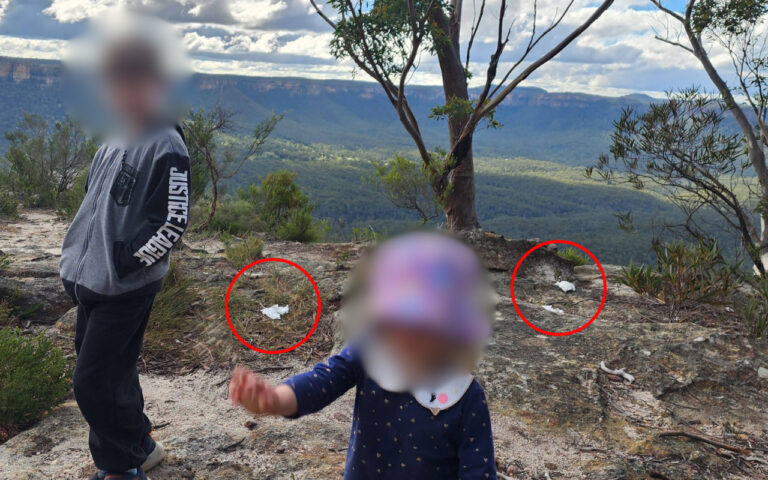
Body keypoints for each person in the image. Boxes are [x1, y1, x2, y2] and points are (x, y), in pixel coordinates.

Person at [230, 232, 498, 479]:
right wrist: (274, 400)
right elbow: (321, 383)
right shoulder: (369, 355)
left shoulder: (467, 398)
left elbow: (478, 472)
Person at [59, 11, 190, 480]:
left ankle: (119, 468)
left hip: (125, 285)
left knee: (92, 383)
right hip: (92, 280)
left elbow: (172, 221)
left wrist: (125, 261)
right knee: (113, 374)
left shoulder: (166, 143)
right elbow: (93, 203)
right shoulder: (115, 138)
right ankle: (142, 445)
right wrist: (78, 257)